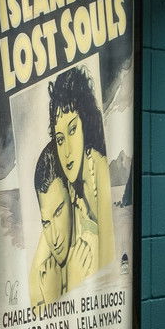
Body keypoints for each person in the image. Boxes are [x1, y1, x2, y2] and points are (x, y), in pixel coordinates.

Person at [48, 66, 114, 270]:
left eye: (73, 129)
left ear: (86, 123)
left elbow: (109, 265)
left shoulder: (100, 170)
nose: (67, 151)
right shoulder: (68, 185)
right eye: (60, 140)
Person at [29, 143, 98, 310]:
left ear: (72, 193)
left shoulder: (91, 247)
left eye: (59, 211)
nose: (54, 239)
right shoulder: (45, 261)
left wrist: (69, 291)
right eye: (46, 223)